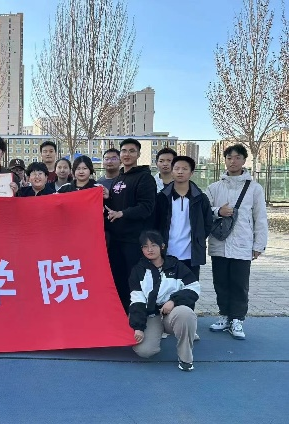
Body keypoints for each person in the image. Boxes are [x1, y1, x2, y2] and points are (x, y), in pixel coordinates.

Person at [205, 144, 268, 340]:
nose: (233, 161)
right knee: (221, 282)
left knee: (240, 284)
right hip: (219, 243)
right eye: (229, 157)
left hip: (242, 244)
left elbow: (260, 218)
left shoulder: (255, 188)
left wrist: (259, 245)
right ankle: (224, 315)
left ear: (244, 160)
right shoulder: (214, 187)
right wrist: (218, 211)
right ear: (224, 160)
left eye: (237, 157)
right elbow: (204, 211)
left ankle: (237, 319)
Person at [128, 230, 200, 372]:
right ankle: (157, 332)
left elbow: (194, 288)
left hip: (172, 313)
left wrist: (174, 301)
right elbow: (137, 301)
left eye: (153, 245)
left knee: (186, 314)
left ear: (162, 246)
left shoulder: (176, 266)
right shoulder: (138, 271)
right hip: (151, 315)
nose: (149, 249)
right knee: (145, 351)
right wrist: (138, 327)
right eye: (145, 246)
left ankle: (186, 358)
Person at [104, 138, 157, 313]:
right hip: (116, 240)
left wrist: (122, 213)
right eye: (124, 151)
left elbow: (146, 208)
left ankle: (138, 317)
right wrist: (107, 198)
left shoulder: (145, 178)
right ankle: (122, 315)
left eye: (132, 151)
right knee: (118, 280)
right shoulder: (119, 178)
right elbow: (115, 206)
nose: (127, 154)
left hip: (134, 241)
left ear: (139, 154)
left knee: (134, 282)